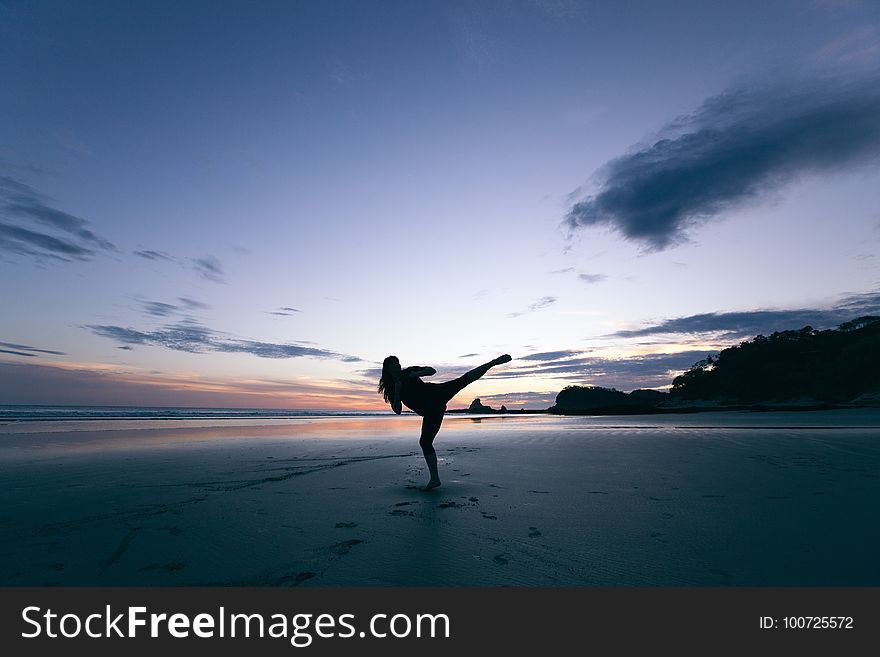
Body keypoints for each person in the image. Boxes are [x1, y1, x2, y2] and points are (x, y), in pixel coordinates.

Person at [378, 354, 512, 490]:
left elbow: (432, 370)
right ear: (388, 368)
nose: (398, 366)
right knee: (425, 442)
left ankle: (492, 363)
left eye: (398, 363)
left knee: (463, 380)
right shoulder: (390, 387)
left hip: (437, 393)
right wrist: (398, 392)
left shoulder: (408, 372)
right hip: (432, 411)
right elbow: (398, 410)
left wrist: (418, 373)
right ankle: (434, 479)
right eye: (394, 364)